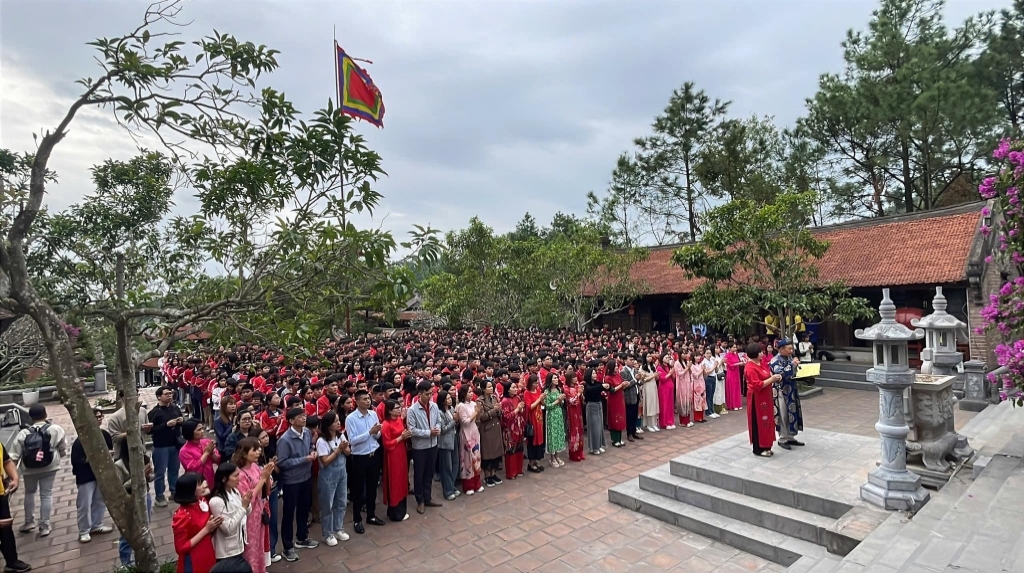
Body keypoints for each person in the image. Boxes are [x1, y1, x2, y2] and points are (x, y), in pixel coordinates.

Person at [10, 403, 66, 537]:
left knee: (29, 493)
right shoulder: (56, 429)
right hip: (50, 466)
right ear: (45, 415)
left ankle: (29, 522)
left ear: (30, 417)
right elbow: (62, 447)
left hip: (29, 468)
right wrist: (59, 456)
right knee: (46, 494)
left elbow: (14, 455)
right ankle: (45, 526)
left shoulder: (23, 433)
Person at [275, 408, 318, 562]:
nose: (303, 418)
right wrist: (304, 459)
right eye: (300, 417)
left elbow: (310, 447)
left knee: (304, 508)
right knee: (288, 513)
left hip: (306, 477)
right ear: (291, 421)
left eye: (304, 416)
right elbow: (282, 462)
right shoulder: (285, 440)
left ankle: (302, 537)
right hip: (291, 481)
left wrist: (312, 452)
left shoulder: (306, 432)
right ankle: (287, 546)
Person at [71, 407, 115, 543]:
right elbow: (77, 461)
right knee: (84, 504)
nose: (100, 419)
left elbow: (111, 451)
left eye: (101, 416)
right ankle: (84, 530)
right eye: (97, 417)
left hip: (102, 474)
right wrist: (94, 457)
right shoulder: (81, 440)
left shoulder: (105, 435)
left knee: (99, 500)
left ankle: (97, 524)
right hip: (86, 476)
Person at [234, 437, 275, 573]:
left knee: (260, 544)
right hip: (249, 515)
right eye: (255, 450)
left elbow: (266, 491)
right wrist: (263, 478)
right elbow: (247, 499)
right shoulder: (239, 474)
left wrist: (267, 478)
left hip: (260, 510)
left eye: (259, 449)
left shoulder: (255, 466)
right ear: (244, 453)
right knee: (251, 546)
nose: (259, 452)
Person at [346, 389, 384, 534]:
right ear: (357, 401)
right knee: (358, 490)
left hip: (374, 455)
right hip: (360, 457)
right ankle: (357, 519)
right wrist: (370, 432)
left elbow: (377, 435)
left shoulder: (373, 414)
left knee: (372, 487)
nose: (368, 401)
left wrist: (376, 432)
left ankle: (371, 515)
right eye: (364, 399)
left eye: (368, 398)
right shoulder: (351, 419)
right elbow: (352, 441)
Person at [114, 436, 154, 566]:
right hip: (129, 500)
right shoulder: (119, 465)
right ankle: (126, 563)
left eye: (141, 444)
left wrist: (149, 475)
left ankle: (144, 558)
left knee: (145, 528)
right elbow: (120, 487)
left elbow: (151, 478)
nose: (140, 447)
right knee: (129, 532)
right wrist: (138, 477)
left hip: (145, 496)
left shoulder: (145, 458)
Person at [172, 472, 221, 573]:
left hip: (207, 550)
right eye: (199, 484)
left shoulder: (201, 501)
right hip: (193, 558)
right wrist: (206, 529)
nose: (203, 485)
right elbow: (181, 547)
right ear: (190, 490)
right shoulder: (182, 516)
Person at [208, 462, 254, 572]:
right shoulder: (216, 501)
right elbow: (228, 528)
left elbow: (246, 513)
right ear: (224, 479)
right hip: (226, 551)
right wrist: (243, 507)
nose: (239, 478)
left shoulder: (235, 491)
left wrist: (247, 504)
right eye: (235, 476)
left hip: (239, 544)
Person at [406, 381, 443, 513]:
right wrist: (429, 433)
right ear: (420, 394)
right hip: (420, 447)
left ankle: (428, 497)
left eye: (431, 393)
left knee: (429, 472)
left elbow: (439, 420)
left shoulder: (434, 406)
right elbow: (412, 430)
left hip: (433, 444)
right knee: (419, 474)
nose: (430, 396)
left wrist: (437, 428)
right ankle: (420, 500)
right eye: (427, 394)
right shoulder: (412, 410)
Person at [316, 411, 350, 545]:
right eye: (335, 421)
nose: (338, 423)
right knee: (327, 505)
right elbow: (324, 461)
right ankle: (327, 533)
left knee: (341, 502)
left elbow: (348, 452)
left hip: (342, 473)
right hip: (328, 476)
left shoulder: (341, 436)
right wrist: (338, 450)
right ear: (328, 425)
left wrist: (345, 448)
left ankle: (338, 528)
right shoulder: (322, 441)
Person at [148, 385, 184, 507]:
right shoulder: (154, 412)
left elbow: (182, 421)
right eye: (166, 394)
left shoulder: (175, 408)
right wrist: (165, 425)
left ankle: (174, 491)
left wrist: (181, 421)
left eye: (171, 393)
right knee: (160, 473)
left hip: (175, 444)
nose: (170, 396)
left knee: (174, 470)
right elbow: (150, 431)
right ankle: (159, 496)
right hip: (161, 446)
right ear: (159, 397)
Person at [0, 428, 31, 572]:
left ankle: (11, 561)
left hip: (0, 495)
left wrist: (15, 477)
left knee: (6, 530)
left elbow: (7, 461)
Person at [745, 343, 780, 457]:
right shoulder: (750, 367)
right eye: (760, 352)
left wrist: (774, 377)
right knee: (758, 422)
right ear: (754, 353)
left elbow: (768, 374)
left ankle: (767, 445)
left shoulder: (762, 363)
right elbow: (757, 385)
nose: (762, 353)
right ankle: (758, 448)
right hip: (757, 398)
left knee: (767, 421)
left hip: (766, 397)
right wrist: (772, 379)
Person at [770, 339, 805, 450]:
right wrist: (792, 365)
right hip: (781, 392)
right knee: (783, 414)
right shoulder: (775, 360)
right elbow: (779, 373)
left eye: (791, 348)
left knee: (792, 412)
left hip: (791, 390)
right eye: (789, 348)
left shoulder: (789, 358)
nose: (791, 351)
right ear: (781, 349)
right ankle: (783, 438)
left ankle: (790, 437)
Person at [380, 400, 411, 521]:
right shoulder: (386, 424)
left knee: (402, 479)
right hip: (392, 456)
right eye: (396, 408)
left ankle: (402, 509)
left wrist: (405, 436)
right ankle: (395, 512)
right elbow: (387, 444)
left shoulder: (399, 419)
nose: (399, 409)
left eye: (399, 407)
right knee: (394, 481)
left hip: (401, 453)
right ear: (389, 410)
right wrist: (401, 437)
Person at [455, 385, 484, 494]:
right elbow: (465, 421)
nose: (471, 394)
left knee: (476, 457)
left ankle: (477, 483)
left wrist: (479, 411)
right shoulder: (461, 406)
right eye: (469, 392)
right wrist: (476, 412)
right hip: (466, 433)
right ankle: (468, 485)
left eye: (472, 392)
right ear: (463, 394)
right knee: (467, 459)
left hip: (474, 432)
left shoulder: (473, 404)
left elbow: (477, 419)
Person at [475, 379, 504, 487]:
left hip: (496, 427)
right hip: (487, 429)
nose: (491, 388)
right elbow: (481, 417)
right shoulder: (480, 401)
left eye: (492, 386)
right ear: (483, 389)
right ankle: (487, 476)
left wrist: (499, 410)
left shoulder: (495, 398)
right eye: (488, 387)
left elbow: (499, 412)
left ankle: (494, 474)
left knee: (496, 452)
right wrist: (494, 411)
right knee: (488, 453)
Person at [179, 419, 220, 488]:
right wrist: (206, 453)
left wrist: (212, 452)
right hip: (196, 483)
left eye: (202, 428)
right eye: (199, 430)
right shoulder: (184, 451)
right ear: (190, 432)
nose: (202, 431)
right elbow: (192, 468)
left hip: (210, 479)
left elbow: (217, 460)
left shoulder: (206, 442)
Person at [499, 380, 526, 479]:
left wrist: (521, 409)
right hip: (509, 430)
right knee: (511, 450)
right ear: (508, 389)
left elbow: (521, 411)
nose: (515, 389)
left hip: (519, 427)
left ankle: (519, 469)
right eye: (513, 388)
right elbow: (505, 417)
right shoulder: (504, 401)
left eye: (516, 387)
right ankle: (511, 473)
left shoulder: (518, 398)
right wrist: (517, 410)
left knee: (519, 449)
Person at [522, 374, 545, 473]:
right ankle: (531, 463)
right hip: (532, 421)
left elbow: (542, 404)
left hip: (539, 419)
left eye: (537, 382)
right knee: (532, 441)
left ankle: (536, 461)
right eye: (535, 383)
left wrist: (543, 399)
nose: (536, 385)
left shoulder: (539, 390)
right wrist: (539, 399)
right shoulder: (527, 393)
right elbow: (529, 407)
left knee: (540, 441)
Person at [542, 372, 566, 467]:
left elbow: (562, 403)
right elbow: (546, 406)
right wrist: (558, 401)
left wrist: (561, 400)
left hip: (559, 413)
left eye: (557, 378)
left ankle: (557, 455)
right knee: (552, 435)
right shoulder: (546, 392)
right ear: (550, 380)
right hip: (551, 415)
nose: (556, 380)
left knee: (559, 434)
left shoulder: (559, 389)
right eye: (554, 378)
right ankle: (552, 457)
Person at [583, 367, 607, 454]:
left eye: (595, 373)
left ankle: (599, 445)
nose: (595, 375)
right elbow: (590, 390)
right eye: (593, 373)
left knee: (600, 427)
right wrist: (601, 386)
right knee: (594, 428)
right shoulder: (586, 384)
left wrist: (607, 386)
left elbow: (603, 387)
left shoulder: (597, 383)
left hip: (599, 405)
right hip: (591, 406)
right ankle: (593, 448)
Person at [619, 356, 643, 442]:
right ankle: (629, 433)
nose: (633, 361)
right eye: (631, 360)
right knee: (629, 415)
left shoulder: (635, 370)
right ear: (625, 361)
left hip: (636, 394)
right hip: (629, 396)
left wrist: (641, 379)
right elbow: (625, 386)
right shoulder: (623, 372)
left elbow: (639, 383)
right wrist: (635, 379)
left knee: (635, 414)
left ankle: (634, 432)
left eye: (633, 360)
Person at [564, 371, 586, 462]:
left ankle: (580, 451)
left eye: (575, 377)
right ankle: (573, 453)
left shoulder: (577, 386)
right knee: (574, 431)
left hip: (578, 411)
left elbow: (582, 400)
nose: (575, 379)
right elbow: (571, 401)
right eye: (573, 377)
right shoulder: (566, 388)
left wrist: (581, 393)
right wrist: (578, 393)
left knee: (580, 431)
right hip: (572, 412)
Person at [640, 353, 660, 433]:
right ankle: (649, 424)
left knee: (654, 404)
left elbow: (656, 377)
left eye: (650, 356)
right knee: (649, 404)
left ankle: (654, 423)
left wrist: (657, 376)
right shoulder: (642, 367)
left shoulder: (653, 366)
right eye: (648, 356)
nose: (650, 358)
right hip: (647, 387)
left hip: (653, 386)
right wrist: (653, 376)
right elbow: (643, 380)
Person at [656, 354, 676, 430]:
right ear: (662, 358)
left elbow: (672, 377)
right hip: (663, 389)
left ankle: (670, 421)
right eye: (666, 357)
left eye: (668, 357)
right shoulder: (659, 367)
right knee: (664, 405)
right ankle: (664, 423)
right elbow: (663, 379)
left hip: (670, 388)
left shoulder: (669, 367)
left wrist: (672, 374)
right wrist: (670, 373)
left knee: (670, 405)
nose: (668, 359)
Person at [702, 348, 720, 419]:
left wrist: (716, 365)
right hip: (708, 378)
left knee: (712, 395)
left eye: (710, 353)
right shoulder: (704, 362)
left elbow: (716, 371)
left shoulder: (712, 361)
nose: (709, 355)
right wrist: (714, 366)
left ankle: (712, 411)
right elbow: (706, 372)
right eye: (707, 353)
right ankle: (708, 412)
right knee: (708, 396)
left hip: (713, 378)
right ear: (704, 354)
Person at [724, 343, 743, 411]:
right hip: (731, 373)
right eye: (733, 347)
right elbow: (729, 365)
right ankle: (732, 405)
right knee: (732, 388)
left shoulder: (736, 354)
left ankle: (738, 404)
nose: (735, 348)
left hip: (736, 373)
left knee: (737, 388)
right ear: (729, 348)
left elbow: (739, 361)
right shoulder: (727, 355)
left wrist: (742, 363)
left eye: (735, 347)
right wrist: (738, 364)